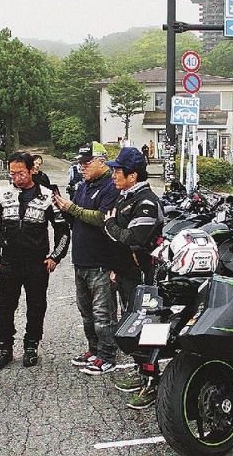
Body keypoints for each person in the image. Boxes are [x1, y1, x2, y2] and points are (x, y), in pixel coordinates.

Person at [0, 151, 70, 369]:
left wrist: (55, 256)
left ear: (32, 169)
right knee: (4, 307)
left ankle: (31, 346)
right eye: (12, 174)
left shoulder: (47, 196)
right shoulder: (0, 196)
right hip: (9, 262)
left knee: (36, 306)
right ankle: (4, 347)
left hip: (37, 263)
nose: (16, 178)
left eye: (20, 173)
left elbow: (63, 230)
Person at [102, 147, 163, 409]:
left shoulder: (146, 202)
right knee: (131, 327)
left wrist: (110, 225)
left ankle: (153, 383)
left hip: (145, 276)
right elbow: (121, 242)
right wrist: (115, 264)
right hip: (126, 273)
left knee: (148, 329)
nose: (113, 175)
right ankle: (142, 374)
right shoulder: (125, 196)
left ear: (133, 175)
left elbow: (133, 238)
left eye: (118, 171)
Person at [53, 142, 120, 375]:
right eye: (79, 162)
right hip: (81, 258)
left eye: (87, 162)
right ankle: (94, 350)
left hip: (102, 259)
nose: (82, 166)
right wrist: (64, 209)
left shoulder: (112, 186)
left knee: (104, 314)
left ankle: (108, 354)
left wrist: (73, 209)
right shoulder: (82, 186)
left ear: (102, 161)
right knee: (86, 312)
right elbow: (76, 219)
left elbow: (103, 218)